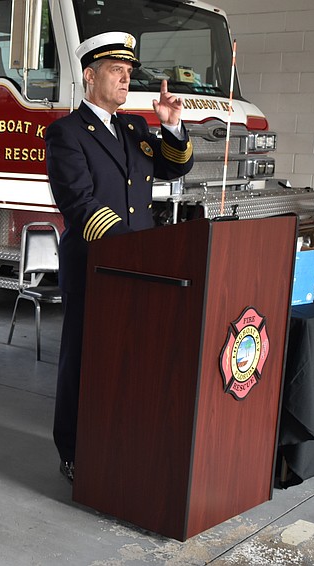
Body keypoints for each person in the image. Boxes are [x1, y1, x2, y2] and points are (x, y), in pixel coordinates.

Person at [44, 32, 194, 484]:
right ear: (90, 76)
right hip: (97, 263)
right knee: (84, 358)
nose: (126, 79)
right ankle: (72, 448)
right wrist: (131, 246)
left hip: (139, 265)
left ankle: (116, 438)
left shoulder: (134, 127)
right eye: (116, 71)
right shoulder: (66, 133)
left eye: (129, 73)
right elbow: (78, 201)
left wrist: (169, 124)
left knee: (130, 360)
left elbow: (173, 166)